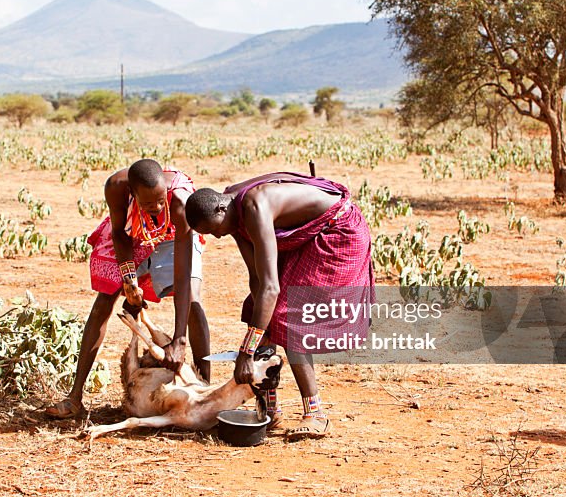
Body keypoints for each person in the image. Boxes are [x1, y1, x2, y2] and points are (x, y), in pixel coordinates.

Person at [184, 172, 374, 440]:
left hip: (338, 232)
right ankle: (268, 409)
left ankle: (315, 414)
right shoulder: (232, 214)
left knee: (289, 316)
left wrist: (247, 351)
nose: (216, 236)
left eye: (214, 229)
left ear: (220, 207)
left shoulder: (253, 206)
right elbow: (258, 280)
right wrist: (261, 328)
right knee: (258, 309)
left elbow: (271, 288)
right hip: (311, 237)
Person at [44, 159, 210, 419]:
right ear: (133, 193)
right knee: (104, 301)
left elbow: (182, 274)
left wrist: (179, 340)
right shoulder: (116, 187)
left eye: (159, 200)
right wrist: (129, 277)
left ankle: (204, 396)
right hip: (135, 230)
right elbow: (120, 233)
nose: (155, 207)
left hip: (174, 236)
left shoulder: (179, 202)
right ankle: (75, 397)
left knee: (193, 302)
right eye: (148, 203)